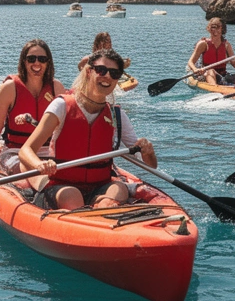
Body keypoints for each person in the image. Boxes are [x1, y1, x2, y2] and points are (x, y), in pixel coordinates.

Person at [19, 48, 157, 211]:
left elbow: (151, 165)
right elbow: (25, 150)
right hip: (63, 185)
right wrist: (39, 164)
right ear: (89, 72)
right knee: (72, 196)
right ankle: (85, 214)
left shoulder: (117, 115)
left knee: (118, 190)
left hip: (100, 185)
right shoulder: (62, 106)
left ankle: (101, 210)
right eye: (101, 70)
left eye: (114, 73)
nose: (107, 76)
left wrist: (148, 152)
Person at [0, 39, 68, 173]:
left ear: (48, 62)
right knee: (28, 170)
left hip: (47, 152)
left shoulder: (57, 88)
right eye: (31, 59)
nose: (36, 63)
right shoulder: (10, 88)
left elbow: (64, 127)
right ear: (24, 62)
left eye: (42, 59)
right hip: (15, 151)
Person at [187, 17, 235, 86]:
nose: (215, 30)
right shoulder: (203, 44)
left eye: (218, 27)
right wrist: (195, 69)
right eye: (213, 27)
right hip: (207, 74)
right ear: (209, 28)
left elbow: (234, 65)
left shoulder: (226, 45)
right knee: (211, 72)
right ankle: (215, 89)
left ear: (222, 29)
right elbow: (190, 62)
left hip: (222, 75)